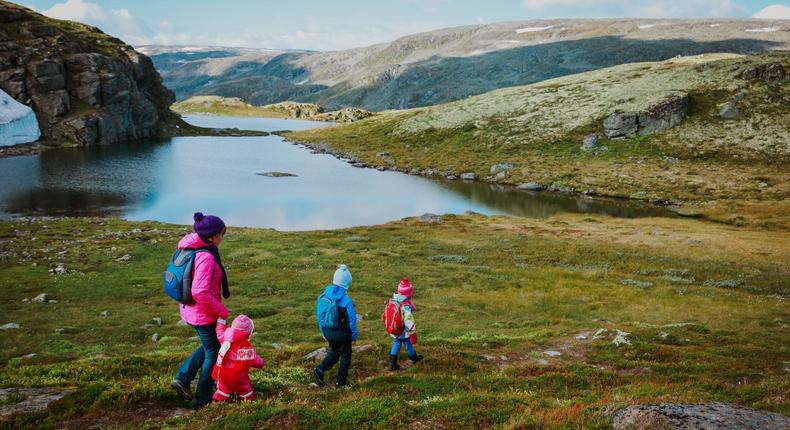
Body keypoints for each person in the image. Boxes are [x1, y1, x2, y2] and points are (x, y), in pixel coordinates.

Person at [170, 212, 231, 408]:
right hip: (202, 313)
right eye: (222, 234)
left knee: (209, 346)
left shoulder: (190, 247)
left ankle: (183, 378)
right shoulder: (205, 256)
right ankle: (203, 398)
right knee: (213, 351)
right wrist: (221, 311)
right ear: (212, 236)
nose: (223, 237)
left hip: (190, 310)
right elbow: (200, 291)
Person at [311, 264, 358, 388]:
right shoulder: (347, 301)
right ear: (347, 282)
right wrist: (353, 336)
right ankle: (340, 382)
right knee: (346, 355)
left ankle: (319, 371)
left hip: (327, 331)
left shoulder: (325, 295)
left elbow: (320, 316)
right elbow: (352, 321)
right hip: (341, 334)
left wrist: (323, 332)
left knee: (336, 350)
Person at [211, 314, 264, 402]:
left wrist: (221, 320)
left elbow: (219, 330)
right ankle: (249, 404)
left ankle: (217, 402)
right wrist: (261, 363)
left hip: (222, 372)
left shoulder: (225, 337)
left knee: (223, 389)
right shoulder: (244, 345)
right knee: (245, 390)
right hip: (237, 375)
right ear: (248, 332)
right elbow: (253, 360)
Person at [387, 278, 423, 371]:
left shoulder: (394, 300)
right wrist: (412, 334)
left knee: (396, 343)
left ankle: (392, 363)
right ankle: (414, 358)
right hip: (403, 330)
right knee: (408, 343)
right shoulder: (406, 306)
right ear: (409, 293)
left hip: (395, 328)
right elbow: (408, 320)